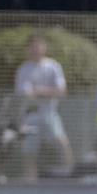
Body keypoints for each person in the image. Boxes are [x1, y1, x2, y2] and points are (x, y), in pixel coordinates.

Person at [12, 33, 73, 178]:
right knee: (28, 151)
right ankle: (31, 180)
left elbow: (61, 90)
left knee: (62, 143)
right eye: (32, 47)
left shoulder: (53, 66)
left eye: (39, 46)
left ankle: (71, 174)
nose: (36, 49)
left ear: (44, 47)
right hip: (29, 116)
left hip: (49, 114)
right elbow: (23, 94)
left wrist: (39, 90)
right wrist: (44, 93)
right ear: (27, 49)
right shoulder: (23, 69)